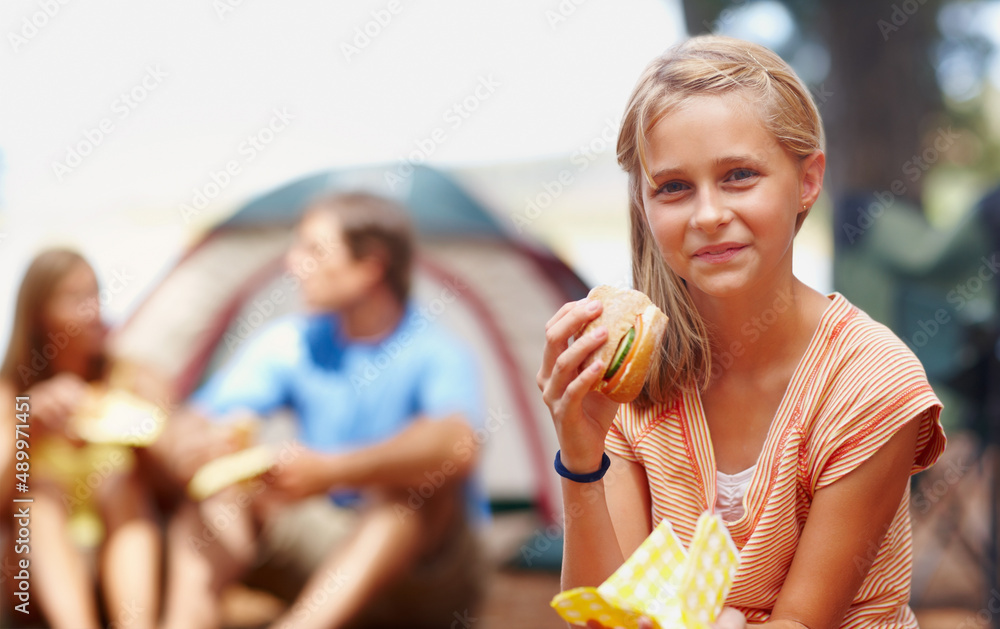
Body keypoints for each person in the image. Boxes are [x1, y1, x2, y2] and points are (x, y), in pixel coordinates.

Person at [537, 36, 946, 628]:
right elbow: (601, 618)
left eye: (739, 176)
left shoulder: (871, 380)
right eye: (673, 187)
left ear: (808, 181)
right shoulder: (632, 379)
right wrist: (580, 453)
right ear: (645, 205)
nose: (707, 215)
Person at [159, 192, 486, 629]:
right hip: (327, 556)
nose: (293, 264)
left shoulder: (436, 351)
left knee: (411, 491)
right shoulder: (294, 342)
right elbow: (193, 420)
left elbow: (458, 444)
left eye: (313, 250)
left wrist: (332, 470)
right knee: (220, 488)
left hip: (428, 581)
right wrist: (197, 445)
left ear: (370, 265)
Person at [0, 248, 161, 629]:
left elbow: (173, 479)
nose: (93, 311)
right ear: (39, 315)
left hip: (120, 546)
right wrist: (28, 425)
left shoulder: (131, 379)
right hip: (28, 574)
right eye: (75, 299)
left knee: (123, 486)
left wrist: (147, 435)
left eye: (95, 295)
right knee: (36, 499)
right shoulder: (12, 394)